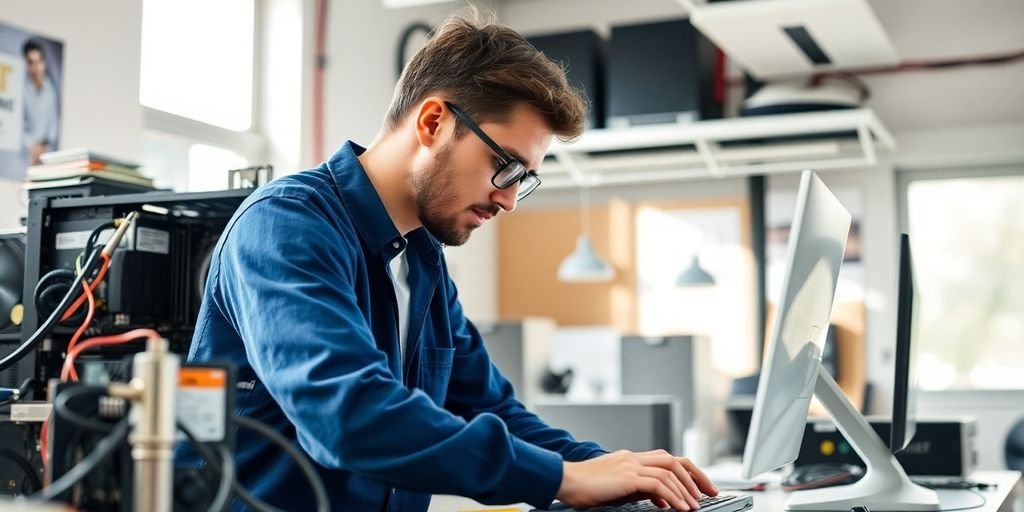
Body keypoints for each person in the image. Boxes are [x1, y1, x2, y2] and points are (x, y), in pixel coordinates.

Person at [183, 11, 718, 512]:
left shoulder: (424, 260)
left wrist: (612, 471)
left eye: (523, 181)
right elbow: (348, 417)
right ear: (434, 122)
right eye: (505, 166)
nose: (508, 200)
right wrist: (562, 479)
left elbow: (491, 411)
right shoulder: (286, 226)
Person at [22, 39, 59, 166]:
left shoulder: (51, 91)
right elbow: (20, 126)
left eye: (39, 62)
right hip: (28, 151)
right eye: (32, 63)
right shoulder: (21, 89)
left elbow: (54, 125)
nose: (36, 68)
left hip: (47, 152)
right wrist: (33, 144)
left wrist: (43, 145)